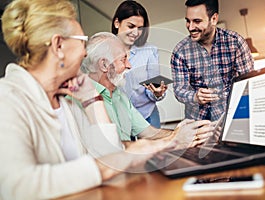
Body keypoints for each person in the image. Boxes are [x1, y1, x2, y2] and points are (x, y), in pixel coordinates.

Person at [0, 1, 178, 199]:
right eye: (81, 42)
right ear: (59, 45)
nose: (85, 52)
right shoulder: (6, 98)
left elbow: (109, 156)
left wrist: (93, 99)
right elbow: (17, 187)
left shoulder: (67, 101)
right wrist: (126, 157)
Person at [81, 32, 214, 146]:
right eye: (123, 60)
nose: (129, 65)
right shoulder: (81, 101)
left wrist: (180, 133)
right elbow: (113, 149)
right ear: (104, 64)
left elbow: (148, 132)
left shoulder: (120, 96)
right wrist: (175, 139)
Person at [171, 0, 254, 121]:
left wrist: (221, 95)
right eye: (188, 21)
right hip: (197, 123)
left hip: (232, 118)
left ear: (214, 19)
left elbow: (248, 83)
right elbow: (179, 90)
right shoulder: (180, 52)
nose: (190, 27)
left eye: (197, 21)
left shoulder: (235, 42)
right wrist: (195, 96)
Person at [111, 0, 167, 128]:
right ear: (117, 23)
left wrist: (157, 93)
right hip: (118, 117)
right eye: (131, 26)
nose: (136, 33)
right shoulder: (104, 51)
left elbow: (153, 86)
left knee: (155, 147)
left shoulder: (150, 51)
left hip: (146, 114)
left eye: (140, 28)